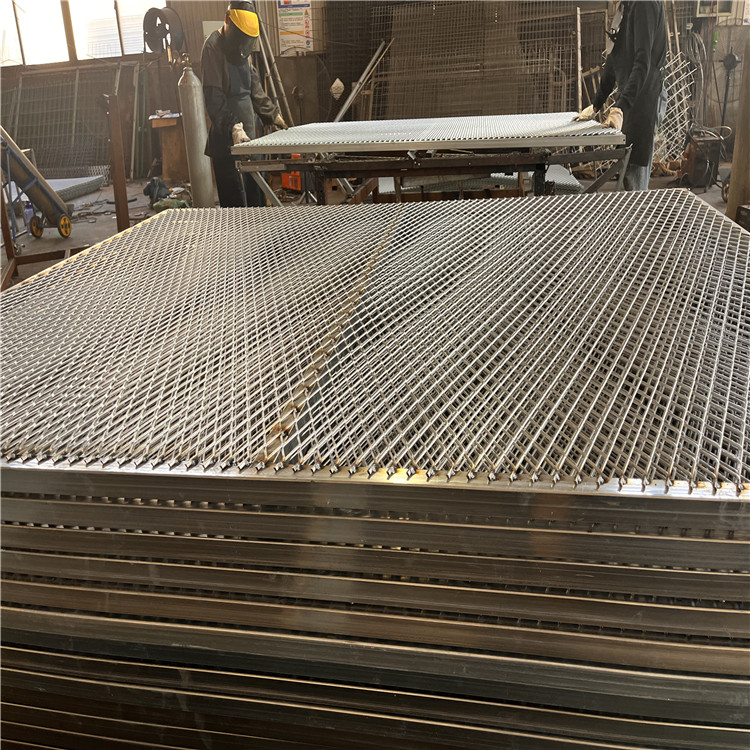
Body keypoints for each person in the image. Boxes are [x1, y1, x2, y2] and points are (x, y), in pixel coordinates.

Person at [201, 0, 288, 207]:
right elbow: (214, 98)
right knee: (234, 199)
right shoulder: (213, 47)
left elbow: (254, 87)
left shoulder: (241, 47)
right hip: (227, 134)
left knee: (256, 187)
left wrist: (272, 115)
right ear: (227, 20)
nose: (242, 44)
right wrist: (234, 128)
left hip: (249, 132)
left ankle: (260, 227)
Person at [575, 0, 668, 191]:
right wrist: (596, 104)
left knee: (635, 164)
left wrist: (620, 107)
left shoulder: (644, 4)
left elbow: (643, 63)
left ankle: (638, 207)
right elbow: (614, 59)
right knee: (626, 161)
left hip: (646, 95)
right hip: (630, 94)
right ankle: (633, 205)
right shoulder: (626, 7)